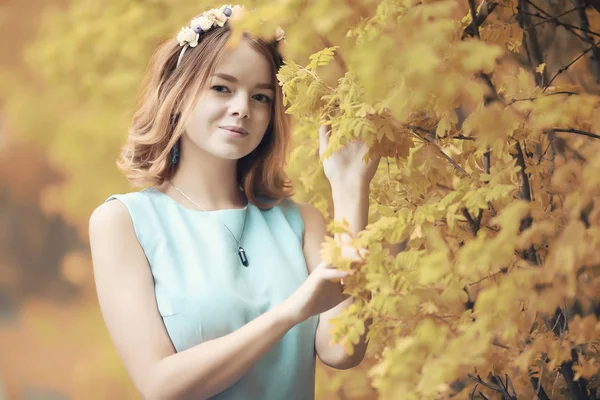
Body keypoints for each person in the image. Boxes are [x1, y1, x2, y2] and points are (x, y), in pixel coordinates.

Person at [89, 5, 380, 399]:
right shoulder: (123, 221)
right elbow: (161, 386)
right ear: (178, 96)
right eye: (222, 88)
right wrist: (290, 312)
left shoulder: (302, 223)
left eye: (261, 96)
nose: (243, 108)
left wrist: (349, 189)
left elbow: (343, 349)